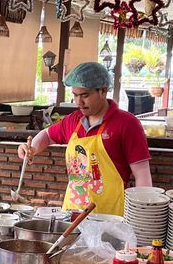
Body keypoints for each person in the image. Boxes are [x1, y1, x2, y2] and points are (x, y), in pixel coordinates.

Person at [17, 62, 151, 215]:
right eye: (75, 95)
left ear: (103, 91)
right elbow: (47, 135)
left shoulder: (127, 124)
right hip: (72, 213)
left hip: (111, 217)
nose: (78, 102)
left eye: (85, 96)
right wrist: (32, 148)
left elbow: (142, 175)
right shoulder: (74, 120)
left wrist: (142, 216)